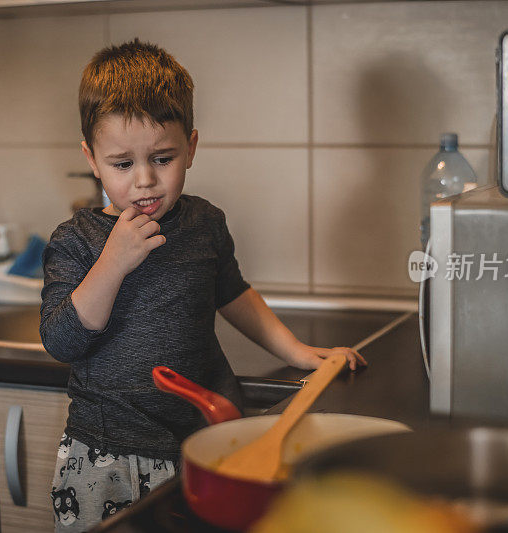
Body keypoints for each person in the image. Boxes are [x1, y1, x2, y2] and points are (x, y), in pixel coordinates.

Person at [41, 38, 366, 531]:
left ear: (191, 147)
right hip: (105, 453)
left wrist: (296, 350)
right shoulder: (77, 241)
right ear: (92, 158)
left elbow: (232, 293)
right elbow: (61, 340)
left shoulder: (204, 223)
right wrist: (112, 263)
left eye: (163, 159)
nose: (145, 180)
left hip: (200, 444)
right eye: (123, 164)